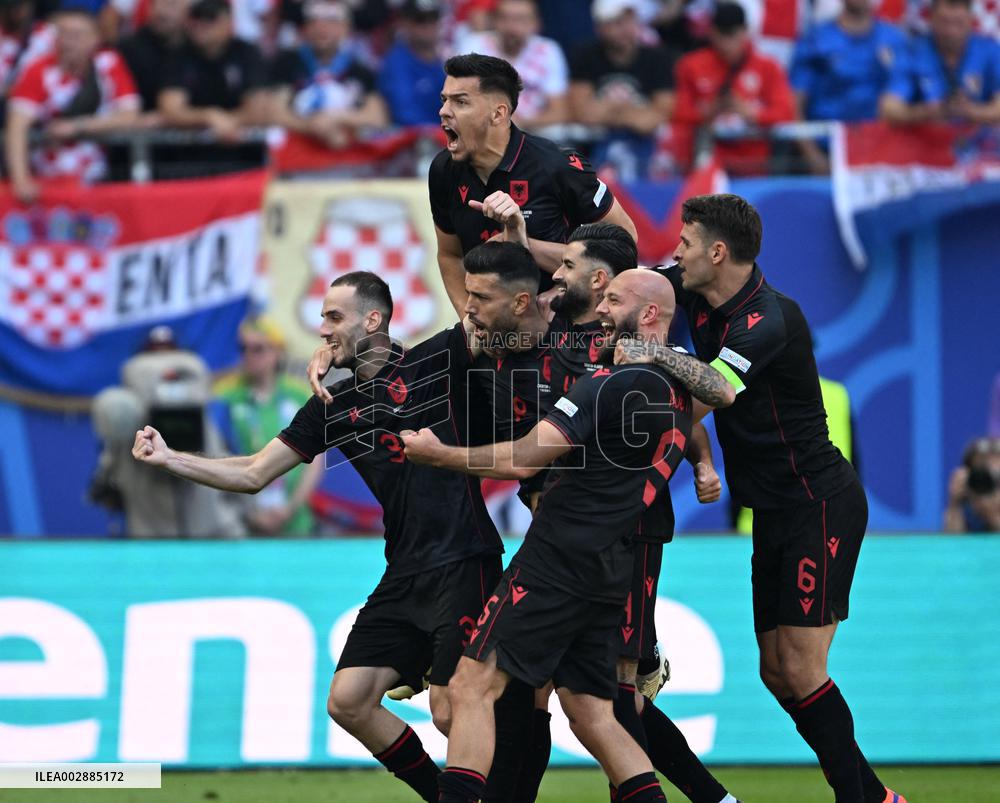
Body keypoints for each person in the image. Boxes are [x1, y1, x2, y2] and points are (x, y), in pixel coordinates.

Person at [133, 272, 504, 802]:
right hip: (405, 569)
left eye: (335, 317)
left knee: (450, 706)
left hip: (466, 558)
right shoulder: (334, 403)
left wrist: (512, 228)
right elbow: (252, 474)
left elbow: (495, 319)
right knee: (349, 699)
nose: (322, 328)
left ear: (372, 321)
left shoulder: (435, 362)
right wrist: (170, 459)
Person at [630, 194, 905, 803]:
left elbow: (718, 390)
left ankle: (860, 799)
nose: (676, 252)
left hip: (819, 503)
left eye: (686, 242)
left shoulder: (768, 318)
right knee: (776, 671)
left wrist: (653, 351)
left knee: (804, 668)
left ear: (717, 252)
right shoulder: (691, 287)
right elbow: (628, 271)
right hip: (773, 511)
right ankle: (879, 796)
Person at [401, 268, 693, 803]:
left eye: (613, 301)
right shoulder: (675, 392)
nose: (600, 310)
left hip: (557, 561)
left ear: (649, 314)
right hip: (609, 566)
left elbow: (525, 456)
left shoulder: (609, 384)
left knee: (470, 688)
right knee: (594, 714)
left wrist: (439, 454)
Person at [429, 52, 637, 315]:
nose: (444, 111)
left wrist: (523, 245)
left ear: (498, 113)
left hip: (559, 330)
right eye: (444, 100)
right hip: (491, 335)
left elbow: (626, 244)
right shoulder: (442, 170)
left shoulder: (557, 166)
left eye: (460, 102)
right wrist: (468, 322)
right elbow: (450, 255)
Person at [91, 326, 247, 538]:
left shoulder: (215, 410)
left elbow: (241, 468)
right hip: (159, 535)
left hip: (201, 534)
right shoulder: (125, 413)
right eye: (155, 355)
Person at [4, 6, 139, 203]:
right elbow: (16, 126)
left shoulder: (108, 63)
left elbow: (130, 114)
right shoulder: (38, 70)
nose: (68, 42)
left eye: (76, 35)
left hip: (98, 179)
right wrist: (20, 179)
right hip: (47, 179)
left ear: (95, 38)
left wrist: (77, 127)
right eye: (62, 34)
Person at [214, 315, 322, 536]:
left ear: (277, 352)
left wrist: (290, 509)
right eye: (243, 348)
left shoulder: (300, 394)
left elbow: (317, 458)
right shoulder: (224, 396)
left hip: (296, 522)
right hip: (242, 523)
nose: (249, 356)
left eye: (258, 348)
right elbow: (216, 456)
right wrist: (249, 513)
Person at [671, 2, 795, 176]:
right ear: (711, 32)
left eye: (732, 34)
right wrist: (709, 110)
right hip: (707, 162)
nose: (727, 42)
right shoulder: (691, 65)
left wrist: (749, 112)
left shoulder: (768, 67)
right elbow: (679, 114)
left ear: (745, 31)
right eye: (722, 34)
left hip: (754, 164)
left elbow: (785, 113)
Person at [568, 0, 675, 180]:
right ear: (600, 27)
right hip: (594, 146)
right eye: (617, 23)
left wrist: (609, 111)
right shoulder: (585, 56)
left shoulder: (658, 58)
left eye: (630, 21)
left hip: (647, 146)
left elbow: (659, 117)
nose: (625, 29)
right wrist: (633, 114)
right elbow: (583, 113)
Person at [270, 0, 388, 149]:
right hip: (297, 153)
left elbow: (377, 117)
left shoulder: (359, 69)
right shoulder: (288, 63)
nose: (322, 28)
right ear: (305, 28)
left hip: (346, 157)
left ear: (346, 28)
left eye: (332, 22)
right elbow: (275, 112)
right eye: (314, 21)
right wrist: (311, 126)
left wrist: (336, 119)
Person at [157, 0, 271, 142]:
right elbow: (170, 110)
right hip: (190, 149)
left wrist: (229, 121)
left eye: (210, 19)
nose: (201, 25)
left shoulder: (246, 53)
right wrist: (208, 116)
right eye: (196, 18)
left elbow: (258, 107)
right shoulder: (179, 55)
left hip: (242, 146)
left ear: (228, 22)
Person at [880, 0, 1000, 125]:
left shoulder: (991, 50)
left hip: (978, 138)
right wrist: (926, 112)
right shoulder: (913, 52)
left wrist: (970, 111)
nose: (951, 31)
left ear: (971, 20)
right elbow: (889, 108)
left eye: (958, 23)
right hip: (928, 135)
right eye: (944, 22)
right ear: (931, 19)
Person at [461, 0, 570, 131]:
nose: (511, 27)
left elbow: (560, 112)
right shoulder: (474, 45)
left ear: (536, 24)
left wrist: (519, 123)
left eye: (520, 20)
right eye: (504, 18)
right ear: (493, 20)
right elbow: (460, 99)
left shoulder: (548, 50)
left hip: (534, 131)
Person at [378, 0, 445, 127]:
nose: (428, 25)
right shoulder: (396, 63)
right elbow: (405, 114)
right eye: (420, 20)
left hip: (443, 138)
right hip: (411, 140)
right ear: (405, 24)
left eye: (433, 19)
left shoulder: (444, 61)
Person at [117, 0, 189, 114]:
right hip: (138, 123)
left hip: (191, 122)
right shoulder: (127, 49)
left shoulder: (196, 48)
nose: (162, 12)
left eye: (171, 4)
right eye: (156, 5)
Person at [944, 436, 1000, 532]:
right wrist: (954, 505)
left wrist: (995, 519)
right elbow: (953, 545)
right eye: (984, 476)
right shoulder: (968, 513)